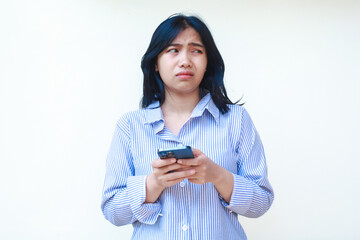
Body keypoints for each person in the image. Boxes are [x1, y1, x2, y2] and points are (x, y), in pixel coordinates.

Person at [101, 14, 274, 240]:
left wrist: (217, 175)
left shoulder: (237, 120)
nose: (185, 60)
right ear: (155, 62)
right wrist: (154, 183)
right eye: (173, 50)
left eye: (196, 50)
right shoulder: (130, 126)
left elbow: (261, 202)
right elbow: (112, 211)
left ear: (207, 62)